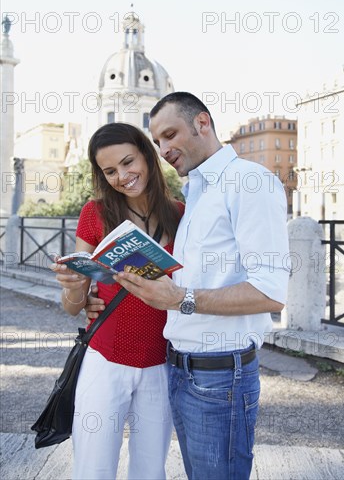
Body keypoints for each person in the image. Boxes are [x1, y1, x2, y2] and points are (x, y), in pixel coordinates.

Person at [107, 92, 291, 480]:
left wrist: (180, 298)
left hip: (221, 377)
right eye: (157, 142)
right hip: (181, 370)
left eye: (171, 134)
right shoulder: (197, 191)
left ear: (202, 123)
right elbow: (203, 276)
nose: (164, 149)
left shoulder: (249, 181)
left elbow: (271, 291)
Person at [51, 122, 184, 480]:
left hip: (161, 361)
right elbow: (73, 306)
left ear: (147, 155)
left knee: (150, 469)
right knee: (92, 468)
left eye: (128, 162)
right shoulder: (94, 213)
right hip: (104, 357)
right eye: (110, 171)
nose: (122, 176)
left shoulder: (181, 214)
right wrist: (75, 287)